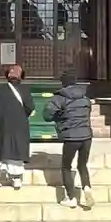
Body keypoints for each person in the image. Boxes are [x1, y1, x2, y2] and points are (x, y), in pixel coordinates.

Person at [45, 70, 94, 209]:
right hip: (87, 136)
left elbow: (47, 115)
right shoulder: (85, 98)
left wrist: (59, 117)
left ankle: (71, 198)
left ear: (63, 83)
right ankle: (86, 187)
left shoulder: (59, 98)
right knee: (82, 165)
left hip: (71, 137)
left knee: (66, 167)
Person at [0, 64, 34, 189]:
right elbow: (30, 106)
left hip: (4, 122)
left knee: (4, 144)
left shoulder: (1, 90)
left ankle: (4, 168)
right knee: (18, 147)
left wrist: (3, 114)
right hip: (20, 123)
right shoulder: (25, 90)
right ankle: (16, 178)